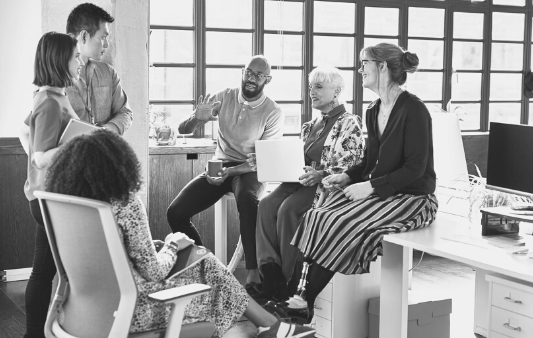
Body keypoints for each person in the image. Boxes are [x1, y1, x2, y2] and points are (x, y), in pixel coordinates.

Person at [44, 130, 315, 338]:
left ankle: (270, 326)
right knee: (205, 262)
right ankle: (271, 326)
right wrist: (172, 246)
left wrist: (157, 245)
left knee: (194, 255)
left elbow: (110, 253)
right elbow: (152, 271)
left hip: (77, 310)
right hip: (133, 309)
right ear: (118, 165)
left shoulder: (69, 205)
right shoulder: (126, 204)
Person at [268, 43, 438, 323]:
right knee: (316, 215)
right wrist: (347, 176)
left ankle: (301, 304)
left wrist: (369, 187)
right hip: (384, 194)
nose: (360, 70)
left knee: (340, 221)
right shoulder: (374, 110)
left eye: (364, 63)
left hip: (413, 199)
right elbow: (370, 162)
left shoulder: (415, 110)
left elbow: (415, 169)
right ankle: (295, 298)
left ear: (382, 67)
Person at [167, 55, 283, 294]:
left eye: (258, 75)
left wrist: (231, 171)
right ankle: (204, 267)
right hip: (220, 164)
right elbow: (183, 129)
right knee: (176, 212)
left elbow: (263, 160)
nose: (251, 78)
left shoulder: (272, 111)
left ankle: (253, 272)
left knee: (248, 202)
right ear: (243, 72)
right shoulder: (223, 97)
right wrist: (196, 119)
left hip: (250, 170)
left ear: (267, 80)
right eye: (248, 72)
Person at [252, 66, 364, 301]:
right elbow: (296, 159)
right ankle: (269, 273)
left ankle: (286, 281)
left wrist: (321, 173)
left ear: (337, 91)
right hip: (299, 180)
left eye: (319, 87)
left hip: (324, 185)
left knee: (288, 210)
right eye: (311, 86)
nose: (312, 91)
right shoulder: (309, 125)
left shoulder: (349, 122)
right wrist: (268, 161)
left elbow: (353, 163)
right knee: (265, 205)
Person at [22, 31, 83, 338]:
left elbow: (24, 132)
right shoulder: (48, 101)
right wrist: (79, 143)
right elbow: (41, 158)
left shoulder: (53, 95)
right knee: (44, 271)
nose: (80, 61)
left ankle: (40, 331)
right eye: (75, 56)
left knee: (47, 270)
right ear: (61, 60)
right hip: (47, 200)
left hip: (46, 196)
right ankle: (34, 333)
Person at [19, 2, 133, 147]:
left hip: (104, 161)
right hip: (71, 165)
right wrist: (43, 162)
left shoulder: (108, 72)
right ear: (84, 36)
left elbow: (125, 113)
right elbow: (28, 132)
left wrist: (106, 132)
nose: (106, 45)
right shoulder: (53, 85)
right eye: (103, 37)